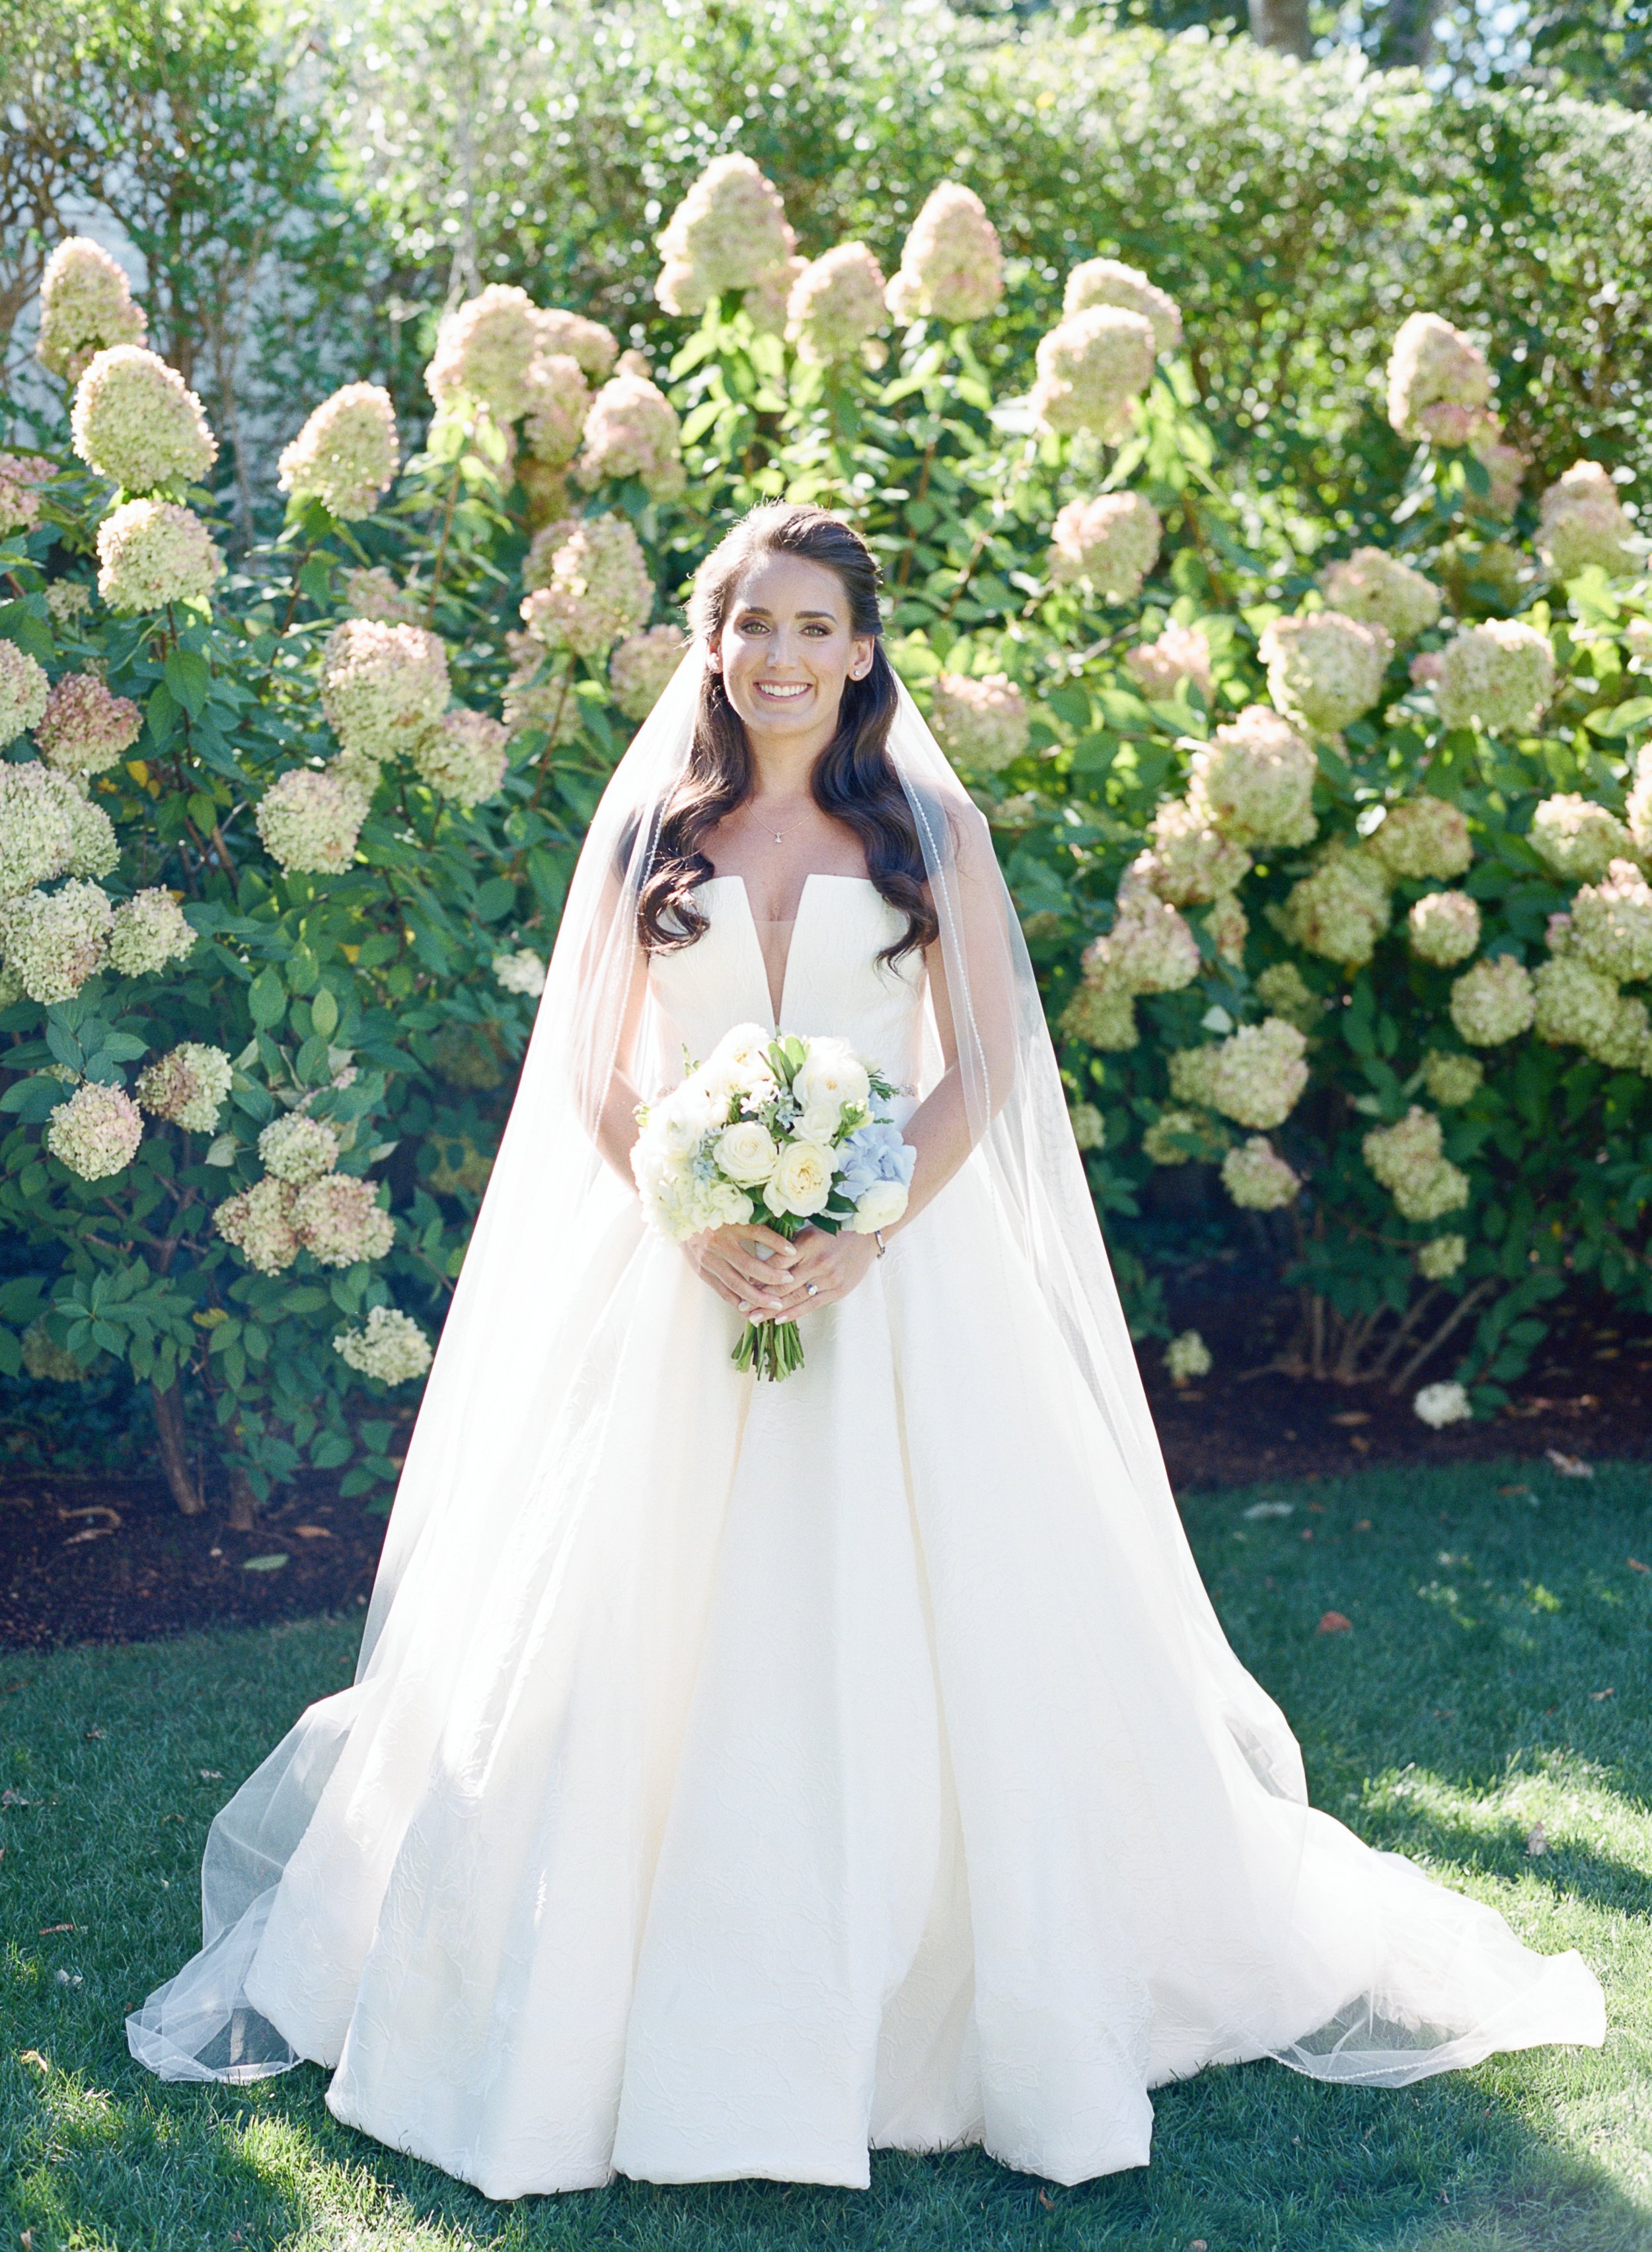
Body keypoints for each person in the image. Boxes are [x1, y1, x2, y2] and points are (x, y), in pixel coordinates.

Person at [127, 503, 1604, 2198]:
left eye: (812, 626)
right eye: (749, 624)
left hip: (892, 1287)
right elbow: (591, 1070)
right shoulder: (653, 840)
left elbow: (980, 1059)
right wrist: (690, 1214)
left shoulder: (919, 833)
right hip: (676, 1285)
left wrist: (860, 1223)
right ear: (709, 642)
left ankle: (943, 2005)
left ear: (860, 647)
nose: (778, 657)